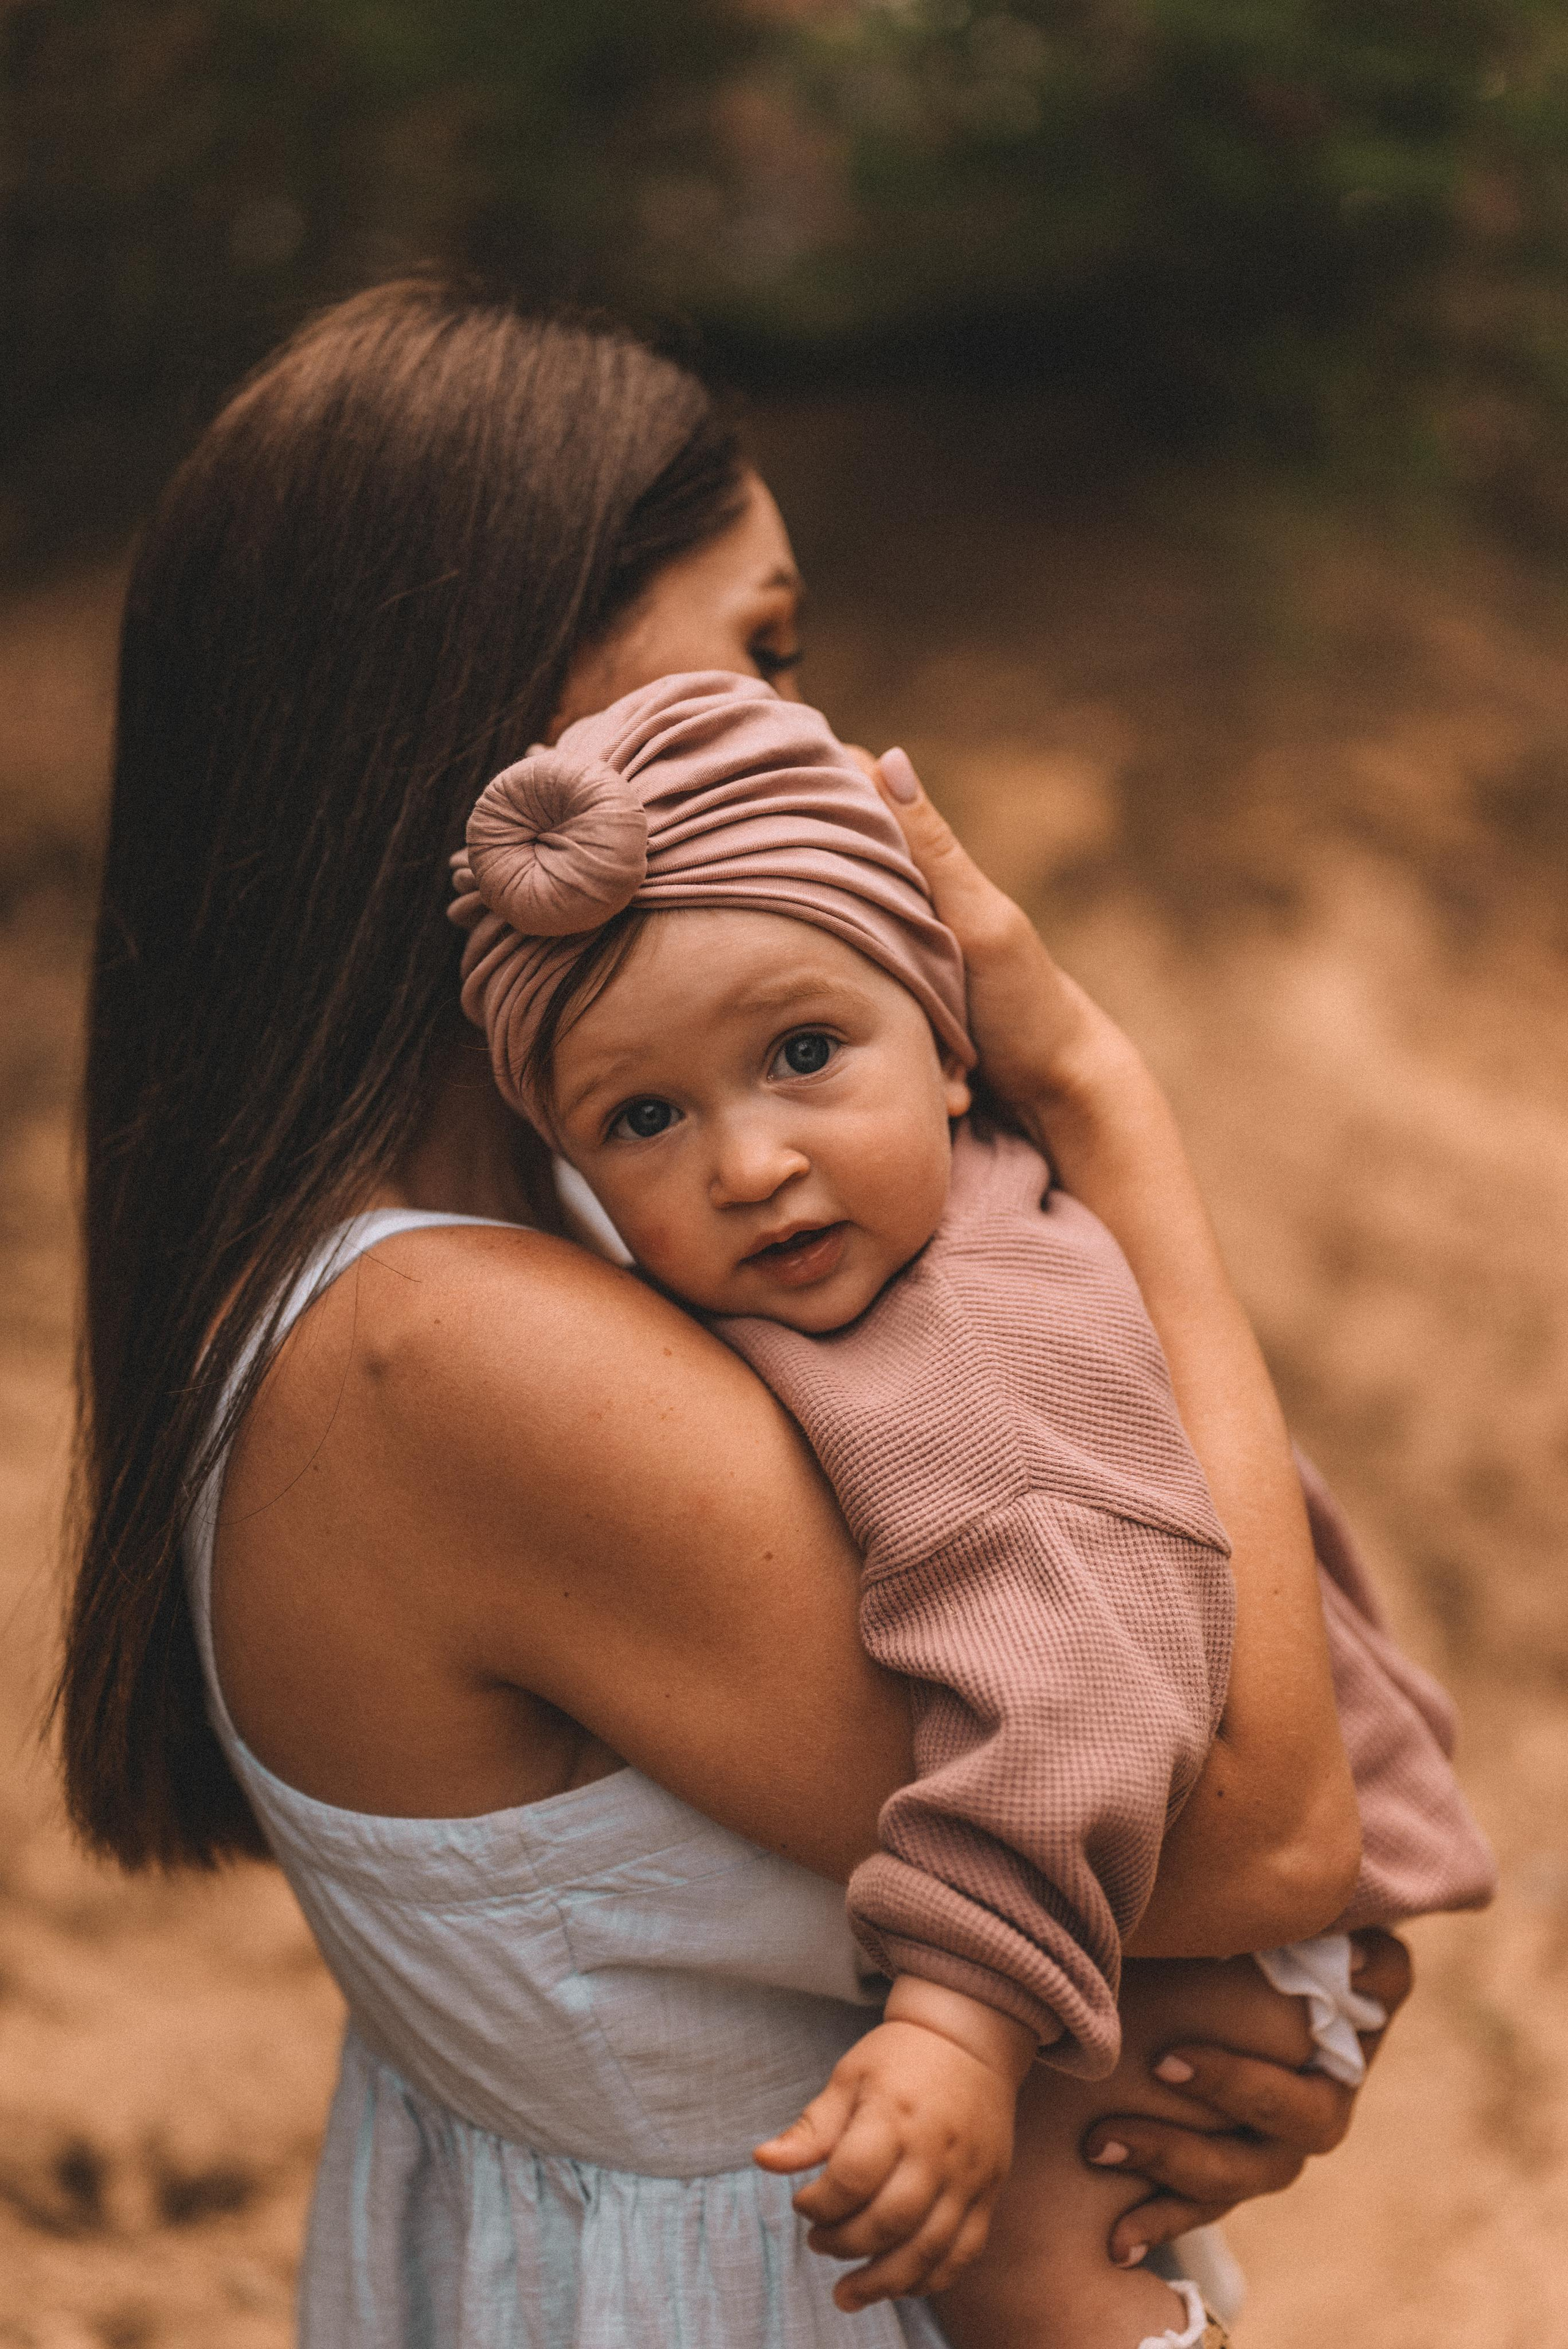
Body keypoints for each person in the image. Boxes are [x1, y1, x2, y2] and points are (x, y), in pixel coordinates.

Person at [61, 279, 1417, 2348]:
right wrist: (1113, 1118)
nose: (813, 735)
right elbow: (1270, 1828)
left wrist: (1153, 2067)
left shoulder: (616, 1224)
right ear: (504, 707)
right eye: (765, 652)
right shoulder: (450, 1356)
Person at [447, 670, 1495, 2348]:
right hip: (1215, 1867)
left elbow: (1080, 1683)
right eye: (645, 1118)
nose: (748, 1163)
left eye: (804, 1054)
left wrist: (956, 2020)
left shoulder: (965, 1356)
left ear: (951, 1050)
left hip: (1240, 1900)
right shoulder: (888, 1247)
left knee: (1020, 2265)